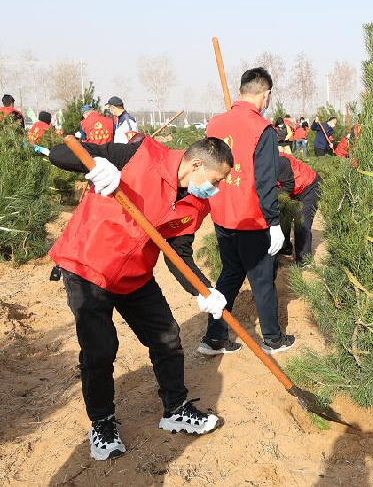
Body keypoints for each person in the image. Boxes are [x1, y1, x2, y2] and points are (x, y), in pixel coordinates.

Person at [47, 135, 233, 461]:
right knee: (100, 349)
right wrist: (96, 165)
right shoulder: (138, 155)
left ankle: (175, 408)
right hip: (88, 267)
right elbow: (60, 152)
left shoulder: (195, 202)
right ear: (196, 165)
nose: (214, 189)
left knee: (167, 338)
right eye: (216, 180)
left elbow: (180, 256)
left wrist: (205, 291)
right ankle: (102, 423)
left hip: (135, 275)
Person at [199, 67, 294, 357]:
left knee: (230, 274)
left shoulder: (215, 124)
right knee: (263, 279)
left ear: (241, 90)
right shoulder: (262, 129)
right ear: (265, 94)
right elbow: (266, 180)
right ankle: (273, 340)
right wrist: (274, 222)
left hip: (222, 215)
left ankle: (214, 339)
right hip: (251, 219)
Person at [276, 152, 322, 266]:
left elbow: (288, 186)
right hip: (293, 191)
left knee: (301, 219)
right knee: (282, 216)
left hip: (310, 186)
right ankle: (285, 247)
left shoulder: (279, 161)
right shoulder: (258, 164)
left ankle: (303, 259)